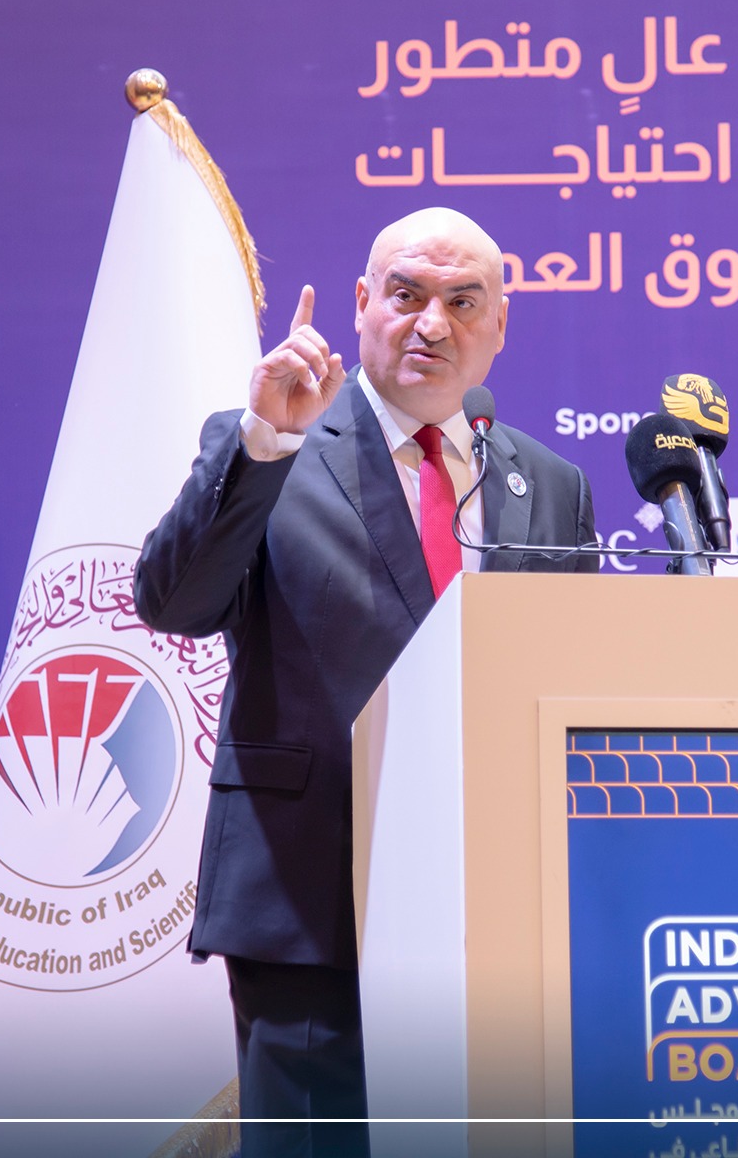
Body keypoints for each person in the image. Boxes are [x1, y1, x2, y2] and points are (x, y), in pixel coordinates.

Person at [133, 207, 598, 1156]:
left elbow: (577, 683)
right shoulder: (275, 446)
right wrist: (265, 440)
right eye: (407, 295)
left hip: (502, 910)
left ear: (499, 325)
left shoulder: (553, 485)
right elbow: (173, 602)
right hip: (311, 903)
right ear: (360, 303)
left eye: (463, 302)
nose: (433, 324)